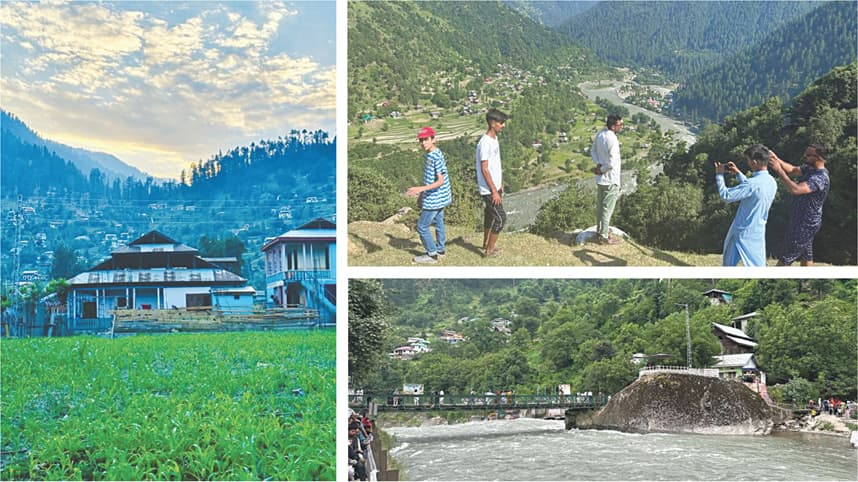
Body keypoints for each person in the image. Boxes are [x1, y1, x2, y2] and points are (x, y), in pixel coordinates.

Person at [714, 144, 777, 266]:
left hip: (741, 230)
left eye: (748, 160)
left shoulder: (752, 184)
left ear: (754, 162)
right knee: (757, 264)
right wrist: (738, 174)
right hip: (757, 229)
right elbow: (753, 191)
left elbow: (726, 196)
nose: (748, 163)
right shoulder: (771, 182)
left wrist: (719, 175)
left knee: (728, 264)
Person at [768, 145, 830, 266]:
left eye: (808, 155)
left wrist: (779, 170)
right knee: (807, 255)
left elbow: (795, 189)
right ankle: (806, 283)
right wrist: (776, 158)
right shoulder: (810, 169)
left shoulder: (819, 178)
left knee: (785, 258)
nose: (804, 156)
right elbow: (792, 169)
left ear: (819, 158)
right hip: (802, 220)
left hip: (805, 224)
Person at [406, 126, 452, 264]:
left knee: (422, 226)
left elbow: (440, 181)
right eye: (421, 140)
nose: (423, 143)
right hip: (440, 196)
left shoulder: (435, 157)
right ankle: (440, 249)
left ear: (433, 139)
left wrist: (420, 189)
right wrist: (421, 196)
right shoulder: (433, 154)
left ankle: (432, 254)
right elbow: (430, 178)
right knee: (439, 222)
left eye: (426, 139)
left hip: (435, 198)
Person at [476, 108, 508, 257]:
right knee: (501, 219)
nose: (503, 125)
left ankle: (485, 243)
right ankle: (489, 250)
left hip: (495, 186)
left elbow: (496, 164)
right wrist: (494, 191)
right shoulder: (485, 143)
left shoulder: (494, 139)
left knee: (489, 215)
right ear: (492, 123)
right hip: (489, 189)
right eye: (501, 122)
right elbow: (485, 169)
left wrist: (500, 183)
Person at [591, 114, 624, 245]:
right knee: (607, 209)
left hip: (601, 179)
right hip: (611, 179)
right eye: (620, 125)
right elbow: (612, 163)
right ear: (613, 126)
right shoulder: (613, 140)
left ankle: (600, 230)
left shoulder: (600, 134)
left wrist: (598, 164)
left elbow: (593, 151)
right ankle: (604, 236)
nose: (622, 127)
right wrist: (602, 168)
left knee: (600, 207)